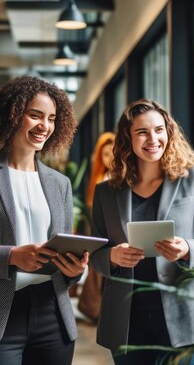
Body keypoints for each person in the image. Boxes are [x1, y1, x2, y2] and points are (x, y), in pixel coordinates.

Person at [0, 76, 89, 365]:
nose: (44, 126)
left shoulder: (60, 184)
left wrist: (74, 269)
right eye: (35, 115)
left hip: (52, 314)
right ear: (12, 115)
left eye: (51, 118)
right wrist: (11, 256)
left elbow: (66, 256)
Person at [89, 99, 194, 365]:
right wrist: (113, 257)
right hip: (128, 322)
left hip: (186, 318)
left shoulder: (193, 177)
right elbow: (95, 254)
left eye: (159, 130)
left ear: (168, 132)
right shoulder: (106, 192)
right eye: (142, 132)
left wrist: (187, 248)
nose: (153, 139)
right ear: (128, 137)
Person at [78, 131, 116, 322]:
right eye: (106, 154)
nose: (110, 158)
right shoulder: (100, 179)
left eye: (113, 153)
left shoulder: (116, 178)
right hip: (101, 235)